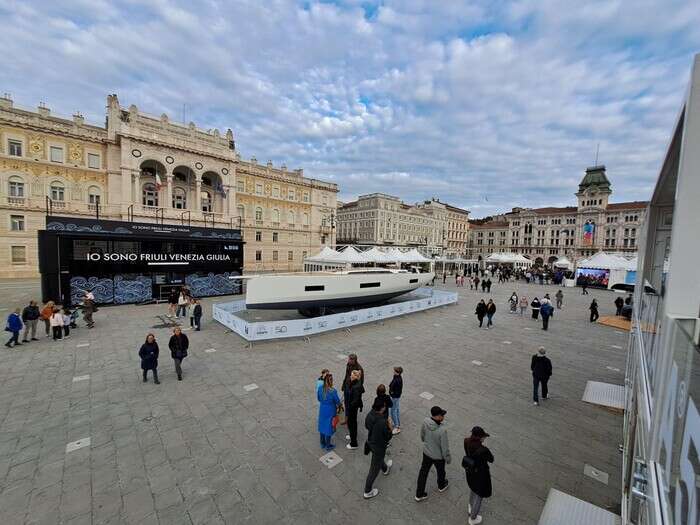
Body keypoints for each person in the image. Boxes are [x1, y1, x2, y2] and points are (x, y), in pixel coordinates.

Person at [415, 406, 451, 501]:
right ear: (438, 416)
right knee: (441, 471)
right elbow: (445, 448)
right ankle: (441, 486)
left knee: (423, 472)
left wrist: (425, 441)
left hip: (426, 452)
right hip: (438, 457)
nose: (443, 417)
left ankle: (419, 494)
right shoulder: (442, 430)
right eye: (442, 415)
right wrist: (447, 458)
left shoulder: (425, 421)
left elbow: (422, 434)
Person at [363, 400, 393, 499]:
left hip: (370, 441)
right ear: (381, 408)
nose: (385, 408)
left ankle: (385, 469)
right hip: (378, 447)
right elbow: (388, 436)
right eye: (384, 406)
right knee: (374, 469)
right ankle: (367, 491)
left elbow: (367, 426)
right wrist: (390, 427)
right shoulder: (382, 421)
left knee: (378, 460)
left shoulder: (369, 414)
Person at [464, 426, 494, 525]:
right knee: (479, 494)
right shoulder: (483, 450)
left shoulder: (466, 441)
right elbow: (491, 459)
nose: (484, 438)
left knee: (472, 487)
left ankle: (470, 505)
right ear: (480, 437)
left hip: (470, 470)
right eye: (483, 436)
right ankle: (473, 518)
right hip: (481, 473)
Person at [318, 373, 342, 451]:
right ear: (331, 381)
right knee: (329, 427)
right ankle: (328, 445)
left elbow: (318, 398)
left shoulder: (320, 388)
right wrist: (339, 405)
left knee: (322, 425)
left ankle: (322, 443)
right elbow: (337, 401)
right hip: (330, 410)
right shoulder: (333, 391)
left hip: (322, 409)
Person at [345, 370, 364, 450]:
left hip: (352, 408)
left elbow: (355, 400)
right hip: (352, 407)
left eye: (352, 376)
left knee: (352, 423)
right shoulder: (355, 383)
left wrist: (350, 407)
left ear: (355, 377)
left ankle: (354, 443)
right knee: (351, 423)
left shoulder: (356, 387)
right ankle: (352, 435)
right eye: (351, 376)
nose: (350, 377)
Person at [342, 354, 365, 421]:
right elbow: (346, 376)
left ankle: (351, 418)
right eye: (348, 359)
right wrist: (343, 385)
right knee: (346, 402)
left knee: (353, 405)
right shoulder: (348, 364)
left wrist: (354, 389)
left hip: (353, 390)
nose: (348, 360)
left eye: (349, 359)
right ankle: (346, 418)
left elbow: (361, 381)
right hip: (347, 387)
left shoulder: (359, 369)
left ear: (354, 360)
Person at [389, 366, 403, 435]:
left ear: (397, 373)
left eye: (394, 371)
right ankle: (398, 423)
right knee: (396, 409)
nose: (393, 371)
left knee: (392, 411)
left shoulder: (397, 380)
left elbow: (394, 387)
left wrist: (391, 392)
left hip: (395, 397)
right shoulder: (397, 377)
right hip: (396, 396)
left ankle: (397, 427)